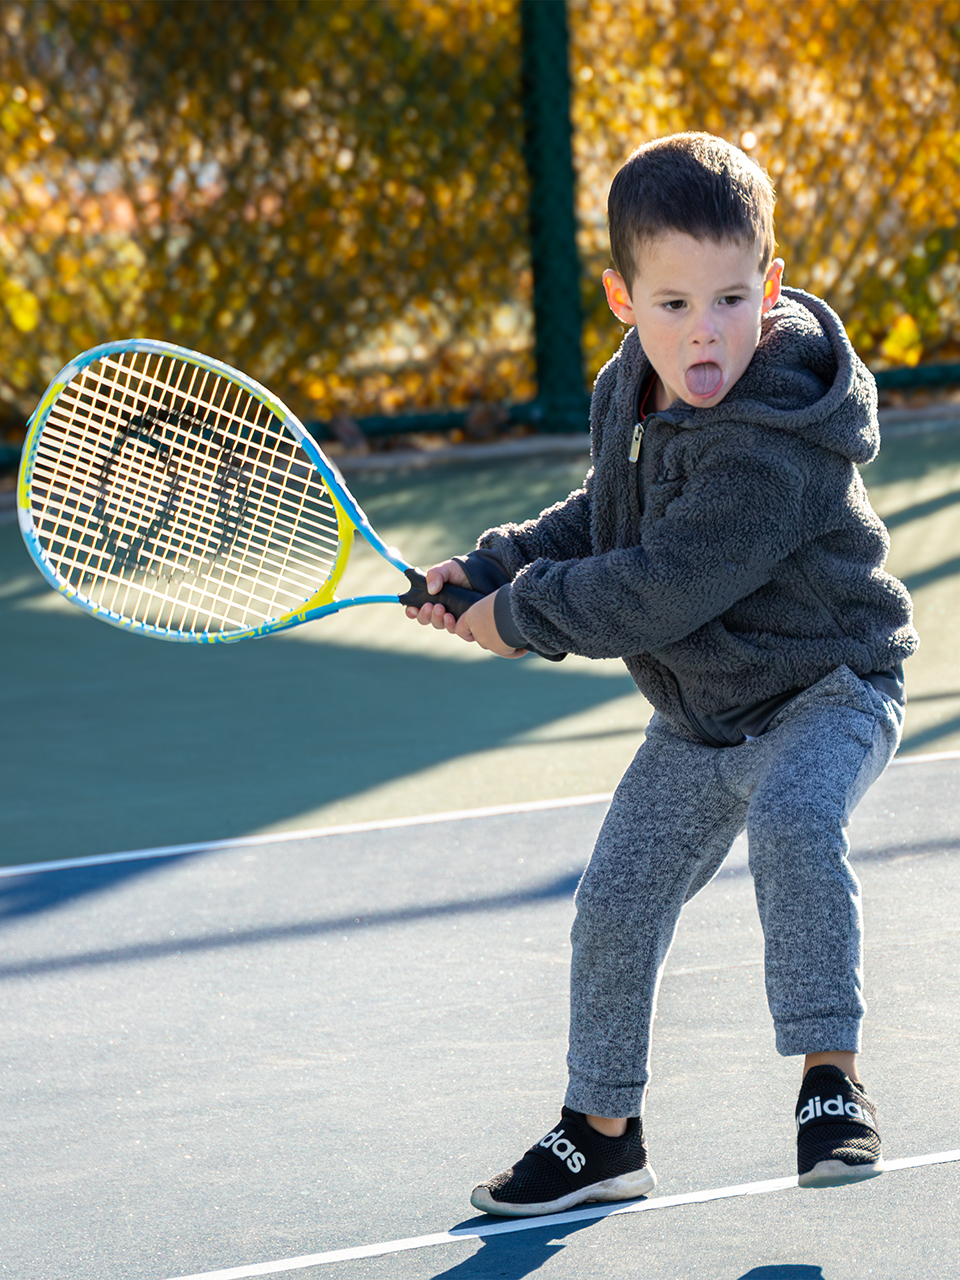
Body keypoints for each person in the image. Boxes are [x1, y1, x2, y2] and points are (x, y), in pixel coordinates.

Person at [405, 132, 918, 1218]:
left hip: (828, 686)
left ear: (770, 287)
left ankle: (832, 1081)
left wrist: (524, 616)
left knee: (794, 819)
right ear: (622, 299)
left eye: (732, 299)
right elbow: (606, 517)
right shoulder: (627, 387)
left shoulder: (777, 433)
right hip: (700, 711)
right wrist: (492, 565)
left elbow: (667, 581)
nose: (706, 329)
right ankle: (603, 1132)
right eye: (674, 303)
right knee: (616, 902)